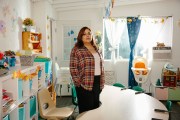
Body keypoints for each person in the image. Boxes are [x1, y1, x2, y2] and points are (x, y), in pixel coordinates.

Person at [70, 26, 105, 114]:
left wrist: (102, 82)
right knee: (86, 111)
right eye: (84, 34)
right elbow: (73, 68)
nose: (87, 35)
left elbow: (101, 66)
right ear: (80, 36)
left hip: (97, 82)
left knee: (95, 108)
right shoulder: (76, 49)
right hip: (84, 83)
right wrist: (78, 83)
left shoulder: (97, 48)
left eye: (89, 33)